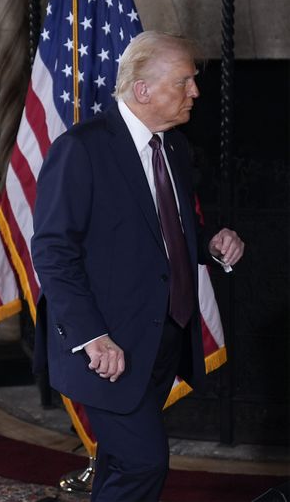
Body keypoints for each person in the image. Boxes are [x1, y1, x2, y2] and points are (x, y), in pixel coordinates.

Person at [30, 31, 244, 502]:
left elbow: (166, 230)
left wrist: (211, 242)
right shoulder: (81, 149)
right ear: (143, 89)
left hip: (162, 337)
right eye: (184, 81)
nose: (196, 92)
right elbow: (51, 250)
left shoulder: (175, 148)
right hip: (106, 346)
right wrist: (92, 336)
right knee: (144, 464)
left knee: (121, 464)